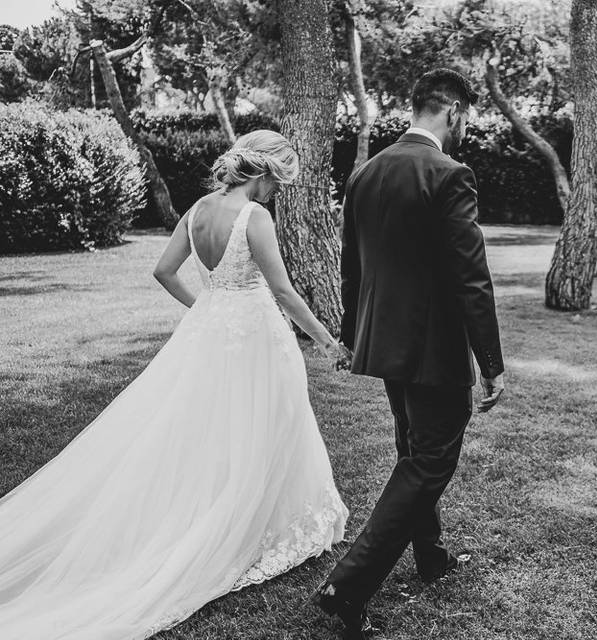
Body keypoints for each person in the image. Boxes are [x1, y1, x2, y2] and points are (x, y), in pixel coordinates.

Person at [0, 130, 349, 639]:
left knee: (210, 425)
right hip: (255, 335)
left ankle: (226, 506)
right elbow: (282, 290)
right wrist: (326, 341)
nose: (279, 191)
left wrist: (206, 309)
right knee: (268, 422)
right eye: (279, 180)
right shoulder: (256, 216)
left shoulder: (198, 209)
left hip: (214, 332)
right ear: (265, 172)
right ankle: (249, 520)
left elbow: (164, 271)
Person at [311, 68, 506, 640]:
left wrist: (352, 333)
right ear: (453, 112)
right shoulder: (451, 173)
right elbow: (472, 278)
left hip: (386, 341)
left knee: (413, 449)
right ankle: (347, 586)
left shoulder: (366, 173)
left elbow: (353, 267)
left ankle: (431, 557)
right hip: (434, 348)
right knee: (430, 461)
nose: (465, 126)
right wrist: (491, 364)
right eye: (466, 117)